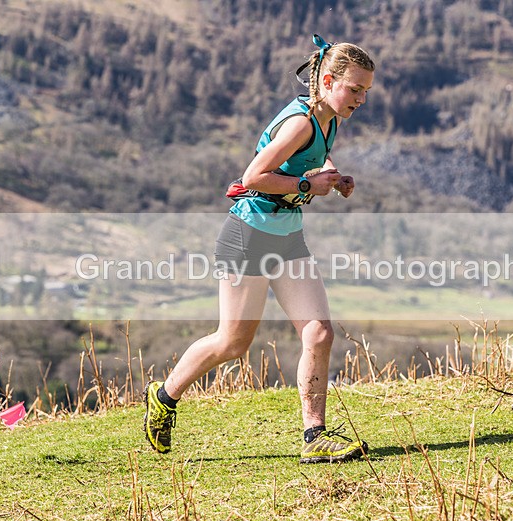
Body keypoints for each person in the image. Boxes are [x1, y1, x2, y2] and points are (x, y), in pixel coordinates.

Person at [143, 34, 375, 463]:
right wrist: (309, 185)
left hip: (286, 236)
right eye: (355, 89)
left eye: (366, 91)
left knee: (319, 332)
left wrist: (331, 174)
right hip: (248, 236)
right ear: (327, 81)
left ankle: (315, 437)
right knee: (232, 343)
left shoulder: (329, 118)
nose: (361, 99)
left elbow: (312, 158)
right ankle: (164, 396)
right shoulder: (301, 122)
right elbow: (253, 177)